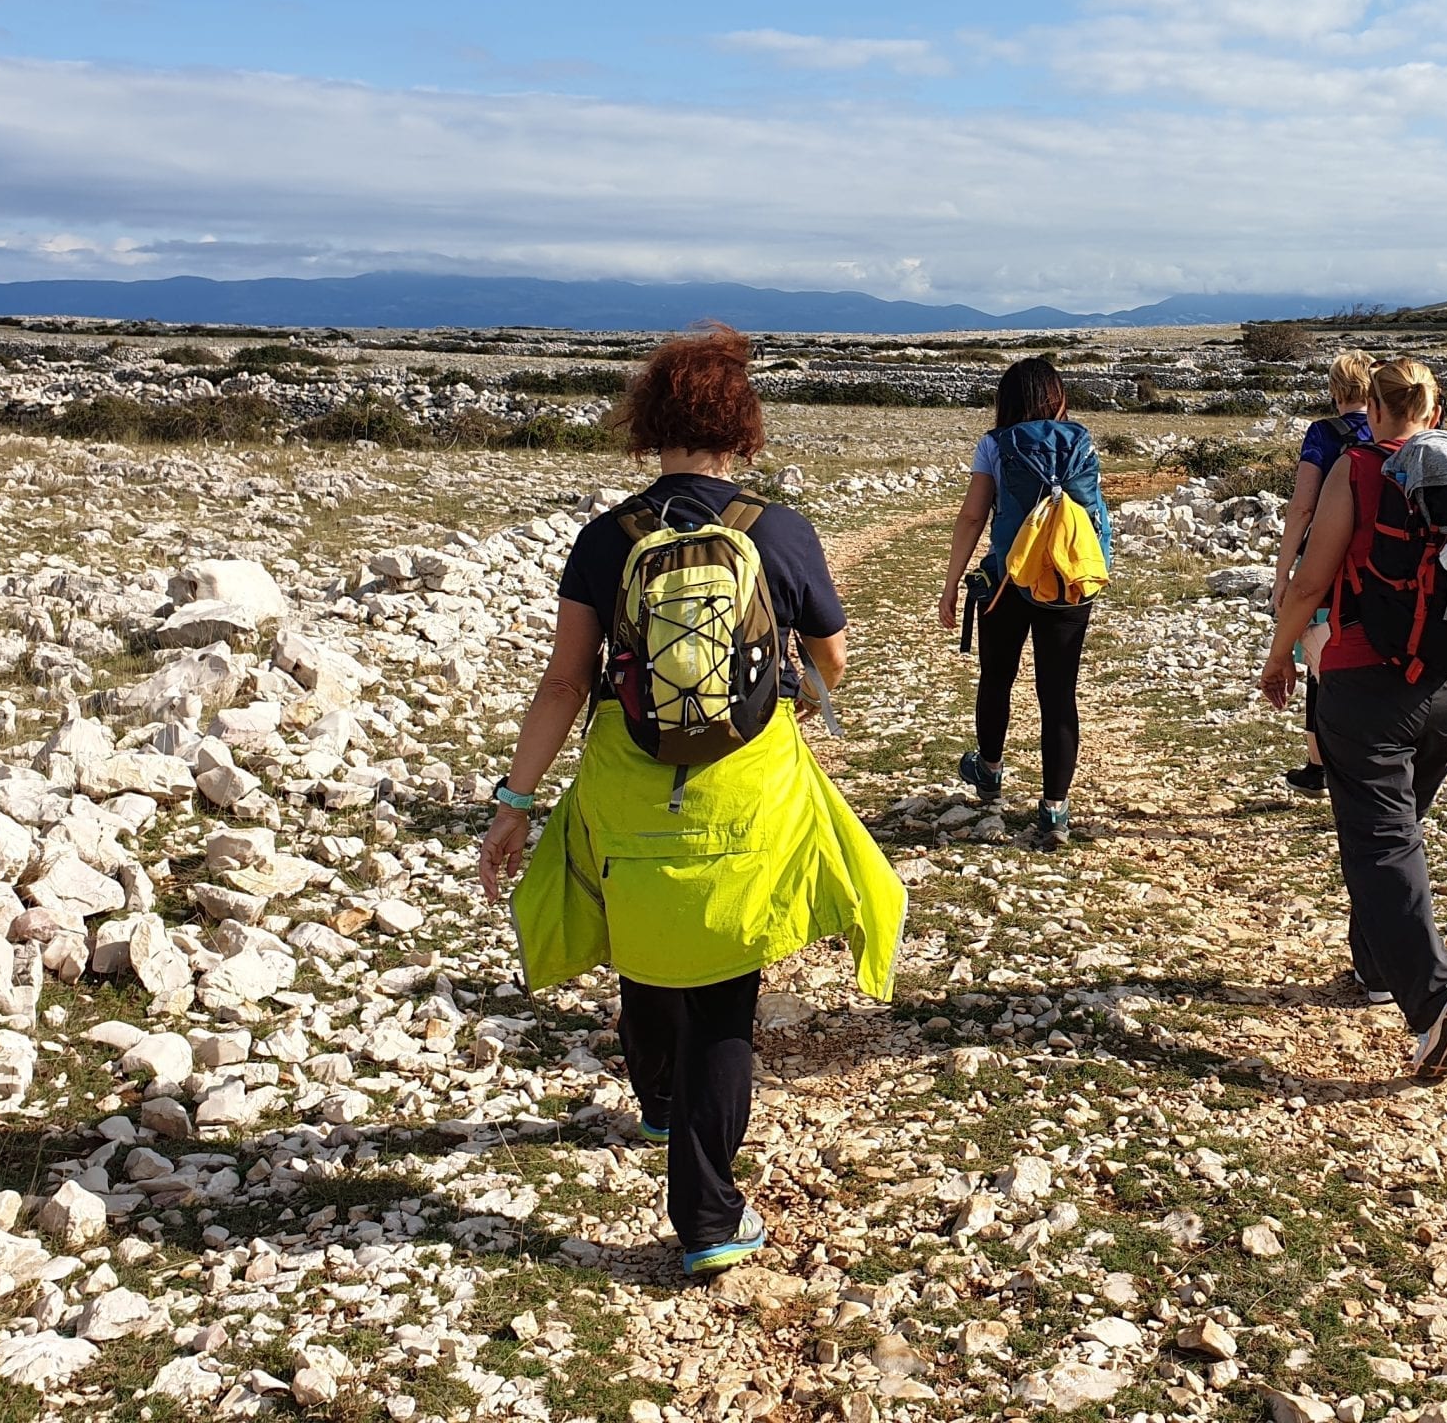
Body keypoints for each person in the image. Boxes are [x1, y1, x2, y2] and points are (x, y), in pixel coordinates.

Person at [478, 325, 904, 1276]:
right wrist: (799, 675)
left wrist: (515, 800)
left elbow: (562, 684)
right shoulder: (779, 531)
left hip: (628, 792)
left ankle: (659, 1103)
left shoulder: (604, 540)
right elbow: (835, 659)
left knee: (645, 942)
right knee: (725, 992)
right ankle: (707, 1213)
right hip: (745, 796)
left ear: (648, 427)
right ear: (744, 430)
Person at [1257, 357, 1447, 1072]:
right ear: (1434, 413)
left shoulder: (1358, 467)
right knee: (1393, 834)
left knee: (1381, 843)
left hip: (1366, 680)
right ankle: (1374, 969)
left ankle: (1437, 998)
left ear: (1371, 409)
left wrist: (1280, 657)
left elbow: (1313, 577)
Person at [938, 356, 1115, 851]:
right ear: (1056, 397)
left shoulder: (994, 444)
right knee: (1058, 694)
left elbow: (973, 517)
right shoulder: (1079, 440)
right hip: (1067, 581)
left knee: (998, 677)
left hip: (1007, 580)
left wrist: (951, 583)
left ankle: (990, 774)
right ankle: (1055, 809)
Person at [1269, 349, 1375, 800]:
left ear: (1335, 389)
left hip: (1329, 560)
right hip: (1382, 557)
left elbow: (1302, 506)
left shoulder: (1323, 434)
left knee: (1320, 658)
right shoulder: (1393, 432)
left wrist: (1283, 573)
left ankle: (1319, 763)